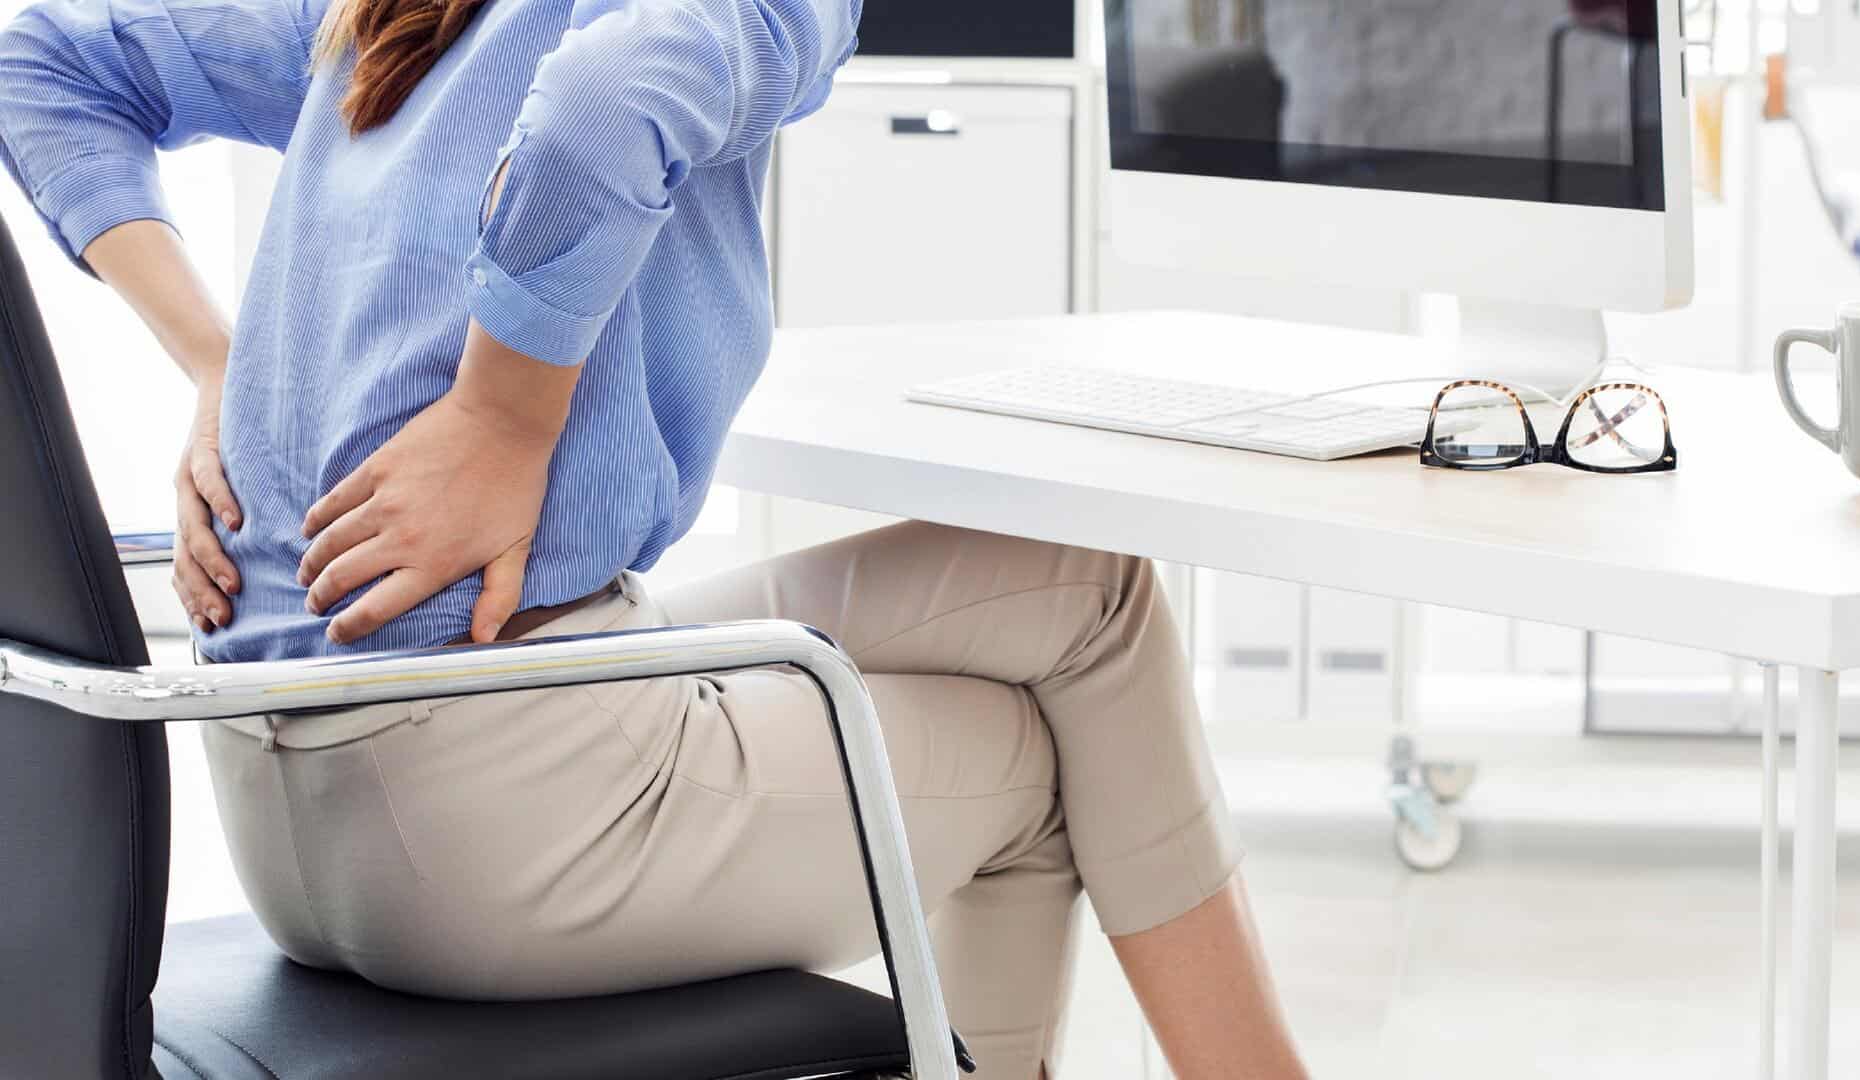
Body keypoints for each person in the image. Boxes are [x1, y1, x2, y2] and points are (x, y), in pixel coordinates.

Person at [0, 0, 1311, 1073]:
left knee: (1086, 591)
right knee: (1038, 764)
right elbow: (609, 100)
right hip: (492, 817)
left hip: (290, 799)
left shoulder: (384, 14)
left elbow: (34, 58)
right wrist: (502, 419)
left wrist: (217, 362)